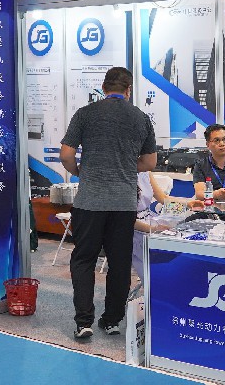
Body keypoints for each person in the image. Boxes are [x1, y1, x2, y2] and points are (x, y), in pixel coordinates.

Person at [60, 66, 156, 340]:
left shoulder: (85, 113)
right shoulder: (141, 118)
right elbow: (149, 162)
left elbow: (66, 154)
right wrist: (123, 167)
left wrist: (81, 171)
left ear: (103, 88)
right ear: (128, 90)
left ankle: (83, 322)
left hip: (89, 201)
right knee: (119, 262)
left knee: (83, 259)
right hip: (123, 204)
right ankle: (112, 320)